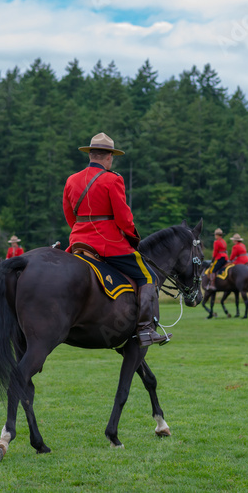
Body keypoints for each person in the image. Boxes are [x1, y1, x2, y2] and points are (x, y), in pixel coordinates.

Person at [63, 132, 169, 347]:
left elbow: (69, 214)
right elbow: (123, 217)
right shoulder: (113, 179)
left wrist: (80, 231)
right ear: (109, 157)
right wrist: (132, 237)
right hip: (107, 243)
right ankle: (145, 329)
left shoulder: (71, 180)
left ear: (90, 155)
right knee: (148, 277)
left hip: (78, 242)